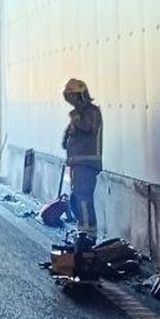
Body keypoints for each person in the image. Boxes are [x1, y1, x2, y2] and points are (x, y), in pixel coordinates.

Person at [61, 78, 103, 238]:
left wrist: (75, 119)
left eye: (72, 97)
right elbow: (67, 139)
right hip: (78, 162)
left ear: (81, 96)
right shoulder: (79, 113)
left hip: (87, 162)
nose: (70, 101)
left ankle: (88, 232)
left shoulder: (91, 111)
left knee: (83, 197)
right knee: (77, 196)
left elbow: (88, 128)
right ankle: (84, 230)